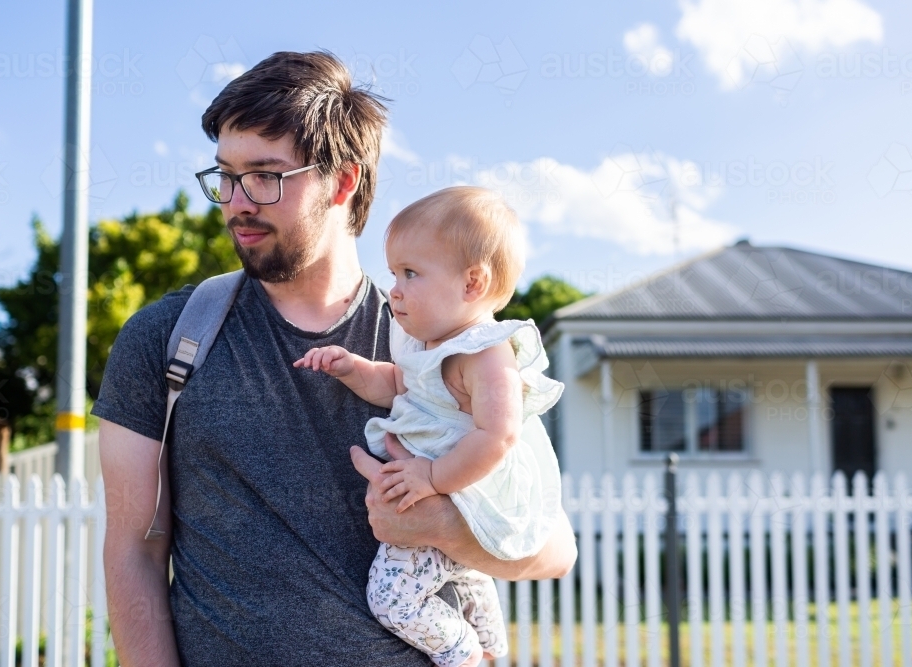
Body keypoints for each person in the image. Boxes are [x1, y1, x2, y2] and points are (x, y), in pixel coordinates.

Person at [95, 51, 577, 667]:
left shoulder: (442, 344)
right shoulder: (166, 337)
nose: (237, 202)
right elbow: (135, 547)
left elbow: (555, 548)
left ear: (343, 182)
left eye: (265, 175)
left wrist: (440, 528)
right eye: (225, 176)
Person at [294, 186, 565, 667]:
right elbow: (399, 384)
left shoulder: (484, 353)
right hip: (442, 492)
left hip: (461, 494)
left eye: (411, 273)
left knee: (392, 599)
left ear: (472, 284)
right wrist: (353, 367)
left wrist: (431, 478)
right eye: (395, 272)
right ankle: (491, 647)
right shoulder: (425, 340)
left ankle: (461, 653)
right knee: (465, 575)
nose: (394, 288)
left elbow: (498, 435)